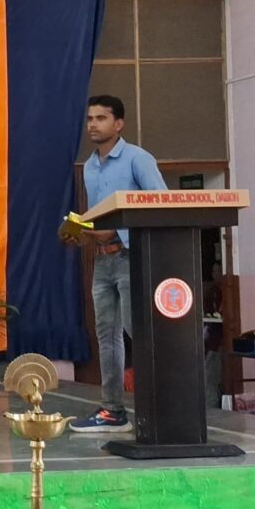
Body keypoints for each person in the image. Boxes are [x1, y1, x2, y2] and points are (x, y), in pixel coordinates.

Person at [65, 94, 166, 433]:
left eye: (101, 118)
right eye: (89, 118)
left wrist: (119, 230)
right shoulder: (90, 166)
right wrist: (81, 233)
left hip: (132, 255)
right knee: (106, 336)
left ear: (119, 124)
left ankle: (161, 407)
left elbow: (163, 206)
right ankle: (112, 410)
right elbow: (98, 218)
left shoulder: (138, 159)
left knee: (140, 331)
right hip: (102, 260)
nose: (93, 124)